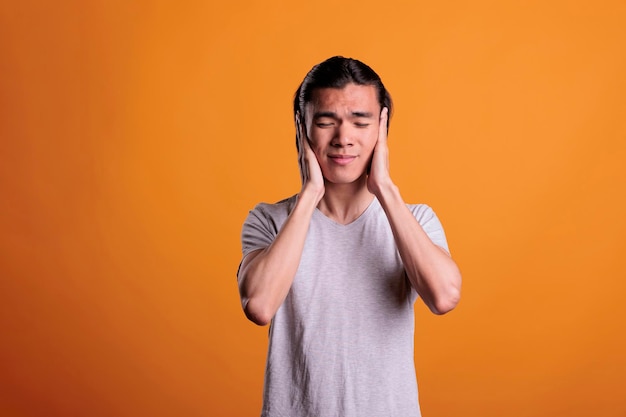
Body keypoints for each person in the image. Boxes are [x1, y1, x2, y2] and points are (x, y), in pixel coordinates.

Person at [237, 56, 461, 417]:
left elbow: (445, 296)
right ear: (302, 129)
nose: (344, 138)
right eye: (326, 122)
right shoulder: (270, 220)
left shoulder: (415, 219)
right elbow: (259, 306)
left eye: (361, 122)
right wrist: (310, 193)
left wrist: (385, 187)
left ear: (382, 129)